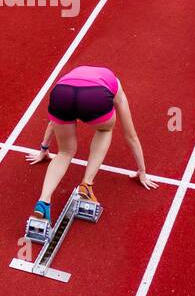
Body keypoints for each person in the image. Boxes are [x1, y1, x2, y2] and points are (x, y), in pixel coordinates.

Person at [25, 65, 156, 228]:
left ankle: (43, 202)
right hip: (94, 96)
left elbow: (53, 122)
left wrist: (44, 149)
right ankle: (86, 184)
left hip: (61, 93)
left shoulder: (71, 76)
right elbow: (131, 135)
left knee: (65, 152)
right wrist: (142, 171)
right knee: (105, 129)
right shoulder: (115, 85)